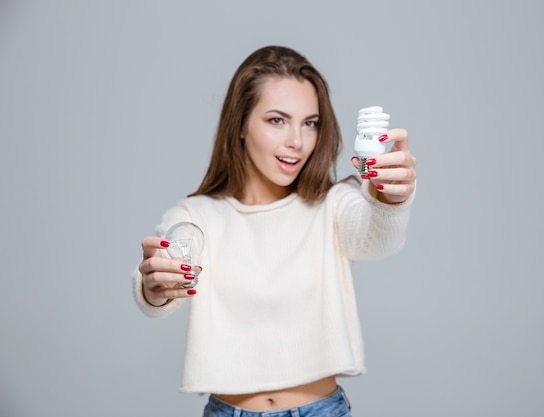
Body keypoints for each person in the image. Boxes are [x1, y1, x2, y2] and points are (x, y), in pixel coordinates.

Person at [133, 45, 416, 417]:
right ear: (240, 125)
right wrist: (156, 286)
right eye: (277, 120)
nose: (297, 141)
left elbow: (379, 240)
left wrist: (389, 199)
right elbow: (161, 281)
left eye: (310, 123)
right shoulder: (197, 215)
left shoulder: (331, 205)